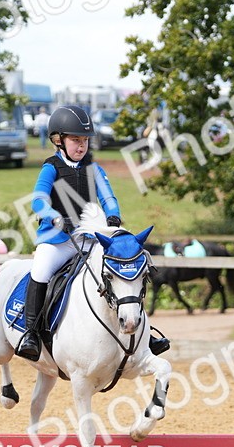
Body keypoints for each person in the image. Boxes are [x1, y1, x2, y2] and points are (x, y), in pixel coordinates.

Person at [15, 104, 170, 360]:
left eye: (85, 140)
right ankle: (30, 333)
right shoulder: (51, 167)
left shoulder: (94, 169)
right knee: (41, 270)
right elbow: (38, 200)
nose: (81, 146)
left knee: (122, 269)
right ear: (58, 140)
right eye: (75, 140)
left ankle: (145, 334)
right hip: (57, 239)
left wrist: (113, 215)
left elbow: (108, 196)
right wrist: (54, 217)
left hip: (89, 238)